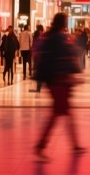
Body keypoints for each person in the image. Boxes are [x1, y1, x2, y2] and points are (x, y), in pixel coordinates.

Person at [33, 12, 85, 160]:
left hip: (53, 80)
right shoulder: (60, 38)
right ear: (63, 23)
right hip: (59, 80)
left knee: (64, 112)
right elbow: (68, 56)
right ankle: (41, 146)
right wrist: (74, 74)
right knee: (58, 113)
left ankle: (74, 145)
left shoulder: (49, 37)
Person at [30, 23, 44, 92]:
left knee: (39, 71)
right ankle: (39, 87)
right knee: (39, 71)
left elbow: (35, 46)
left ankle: (39, 87)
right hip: (38, 56)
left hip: (38, 56)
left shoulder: (38, 36)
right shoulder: (39, 36)